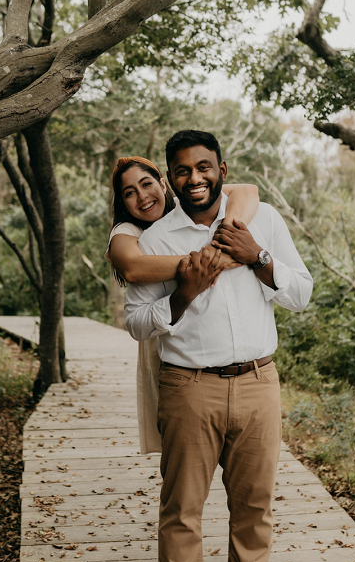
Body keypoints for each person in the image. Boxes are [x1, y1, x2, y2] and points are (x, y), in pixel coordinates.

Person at [125, 130, 313, 562]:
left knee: (254, 508)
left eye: (204, 167)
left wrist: (259, 258)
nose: (195, 179)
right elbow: (137, 323)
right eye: (182, 171)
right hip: (189, 387)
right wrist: (183, 291)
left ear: (222, 167)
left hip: (259, 383)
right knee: (182, 510)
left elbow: (301, 292)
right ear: (170, 178)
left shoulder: (262, 220)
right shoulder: (157, 239)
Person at [106, 155, 259, 454]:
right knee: (181, 443)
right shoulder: (127, 232)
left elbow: (248, 190)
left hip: (222, 353)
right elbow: (133, 269)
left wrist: (223, 242)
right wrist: (209, 264)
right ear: (124, 204)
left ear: (163, 183)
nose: (142, 196)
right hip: (165, 339)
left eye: (147, 184)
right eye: (130, 193)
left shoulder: (189, 206)